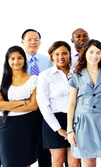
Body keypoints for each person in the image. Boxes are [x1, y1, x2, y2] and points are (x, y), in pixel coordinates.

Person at [66, 40, 101, 167]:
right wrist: (69, 130)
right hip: (83, 124)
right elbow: (72, 103)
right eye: (91, 52)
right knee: (88, 163)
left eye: (98, 52)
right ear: (85, 53)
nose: (95, 56)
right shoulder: (76, 75)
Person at [37, 41, 80, 167]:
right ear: (52, 56)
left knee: (75, 162)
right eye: (57, 54)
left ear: (69, 55)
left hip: (75, 120)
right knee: (58, 160)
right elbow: (43, 104)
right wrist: (58, 129)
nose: (61, 57)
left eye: (64, 53)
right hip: (54, 121)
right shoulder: (45, 76)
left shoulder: (77, 72)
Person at [0, 46, 40, 167]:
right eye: (12, 58)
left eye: (19, 58)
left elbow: (33, 106)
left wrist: (9, 105)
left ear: (24, 59)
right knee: (8, 162)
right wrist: (23, 102)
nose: (16, 61)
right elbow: (1, 105)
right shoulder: (2, 80)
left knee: (25, 162)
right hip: (6, 124)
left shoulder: (33, 79)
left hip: (26, 125)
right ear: (7, 60)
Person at [22, 28, 52, 166]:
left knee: (44, 145)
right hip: (25, 108)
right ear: (22, 42)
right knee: (26, 146)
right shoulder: (17, 61)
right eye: (29, 39)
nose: (33, 42)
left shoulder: (47, 61)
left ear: (40, 43)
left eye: (36, 40)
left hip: (44, 108)